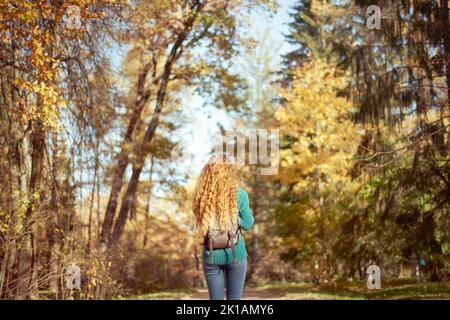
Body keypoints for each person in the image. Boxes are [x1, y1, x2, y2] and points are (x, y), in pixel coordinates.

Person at [192, 154, 254, 300]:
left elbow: (201, 225)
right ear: (229, 171)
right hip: (236, 254)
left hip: (211, 254)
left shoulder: (201, 197)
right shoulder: (239, 194)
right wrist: (233, 216)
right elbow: (247, 223)